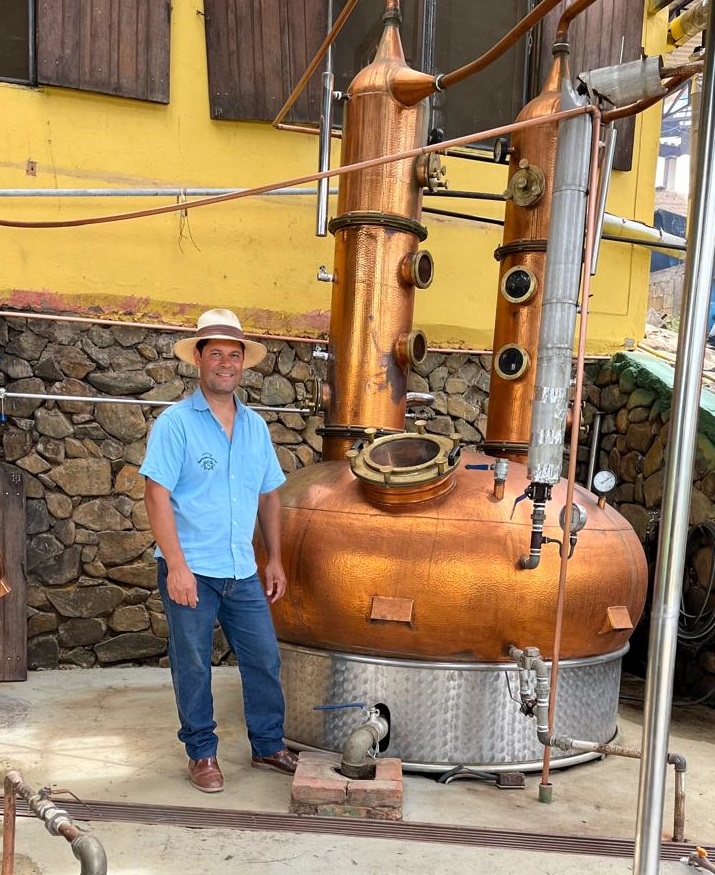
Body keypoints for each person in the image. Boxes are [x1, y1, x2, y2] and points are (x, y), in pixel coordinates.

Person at [139, 308, 298, 793]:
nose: (226, 363)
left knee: (263, 659)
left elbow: (269, 494)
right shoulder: (175, 424)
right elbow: (155, 494)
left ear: (243, 363)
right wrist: (178, 568)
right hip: (192, 569)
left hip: (241, 569)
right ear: (200, 360)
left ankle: (268, 744)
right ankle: (202, 753)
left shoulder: (255, 427)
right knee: (192, 663)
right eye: (217, 354)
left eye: (235, 354)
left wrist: (274, 557)